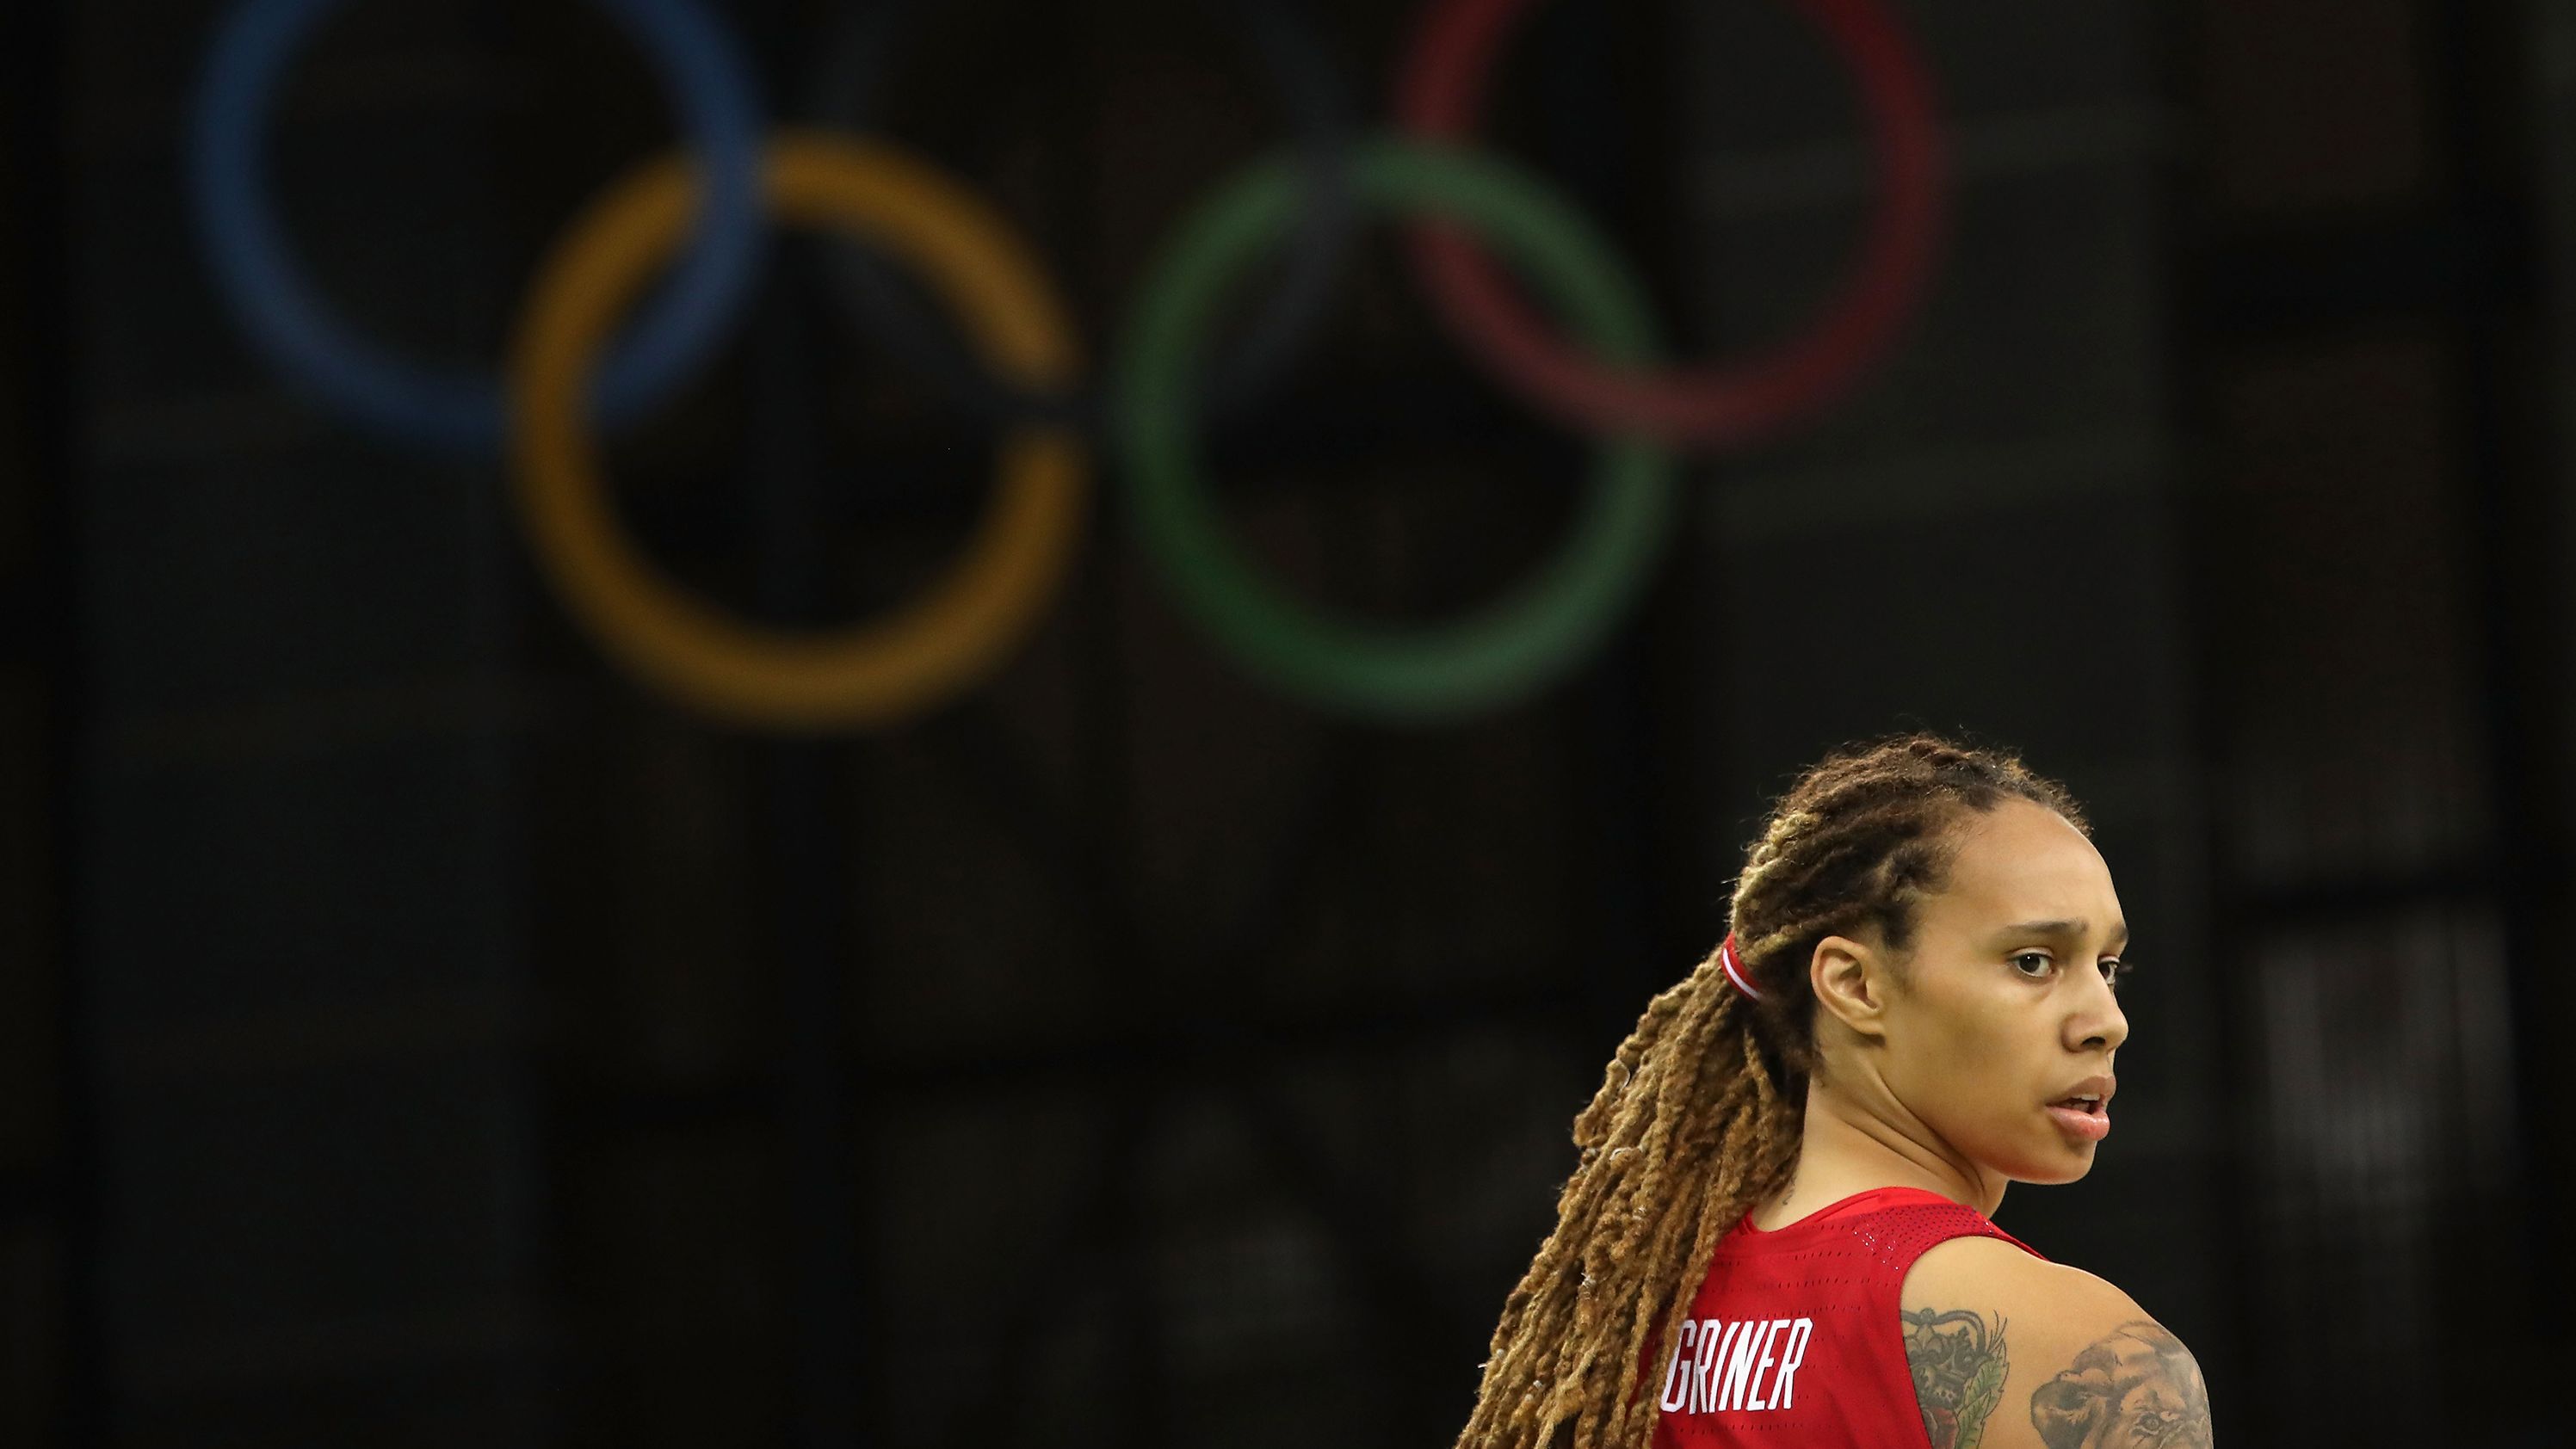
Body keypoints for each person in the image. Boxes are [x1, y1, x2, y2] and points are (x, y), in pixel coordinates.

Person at [1450, 733, 2212, 1449]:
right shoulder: (2085, 1352)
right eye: (2032, 961)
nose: (2105, 1022)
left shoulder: (1635, 1323)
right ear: (1854, 985)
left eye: (2106, 967)